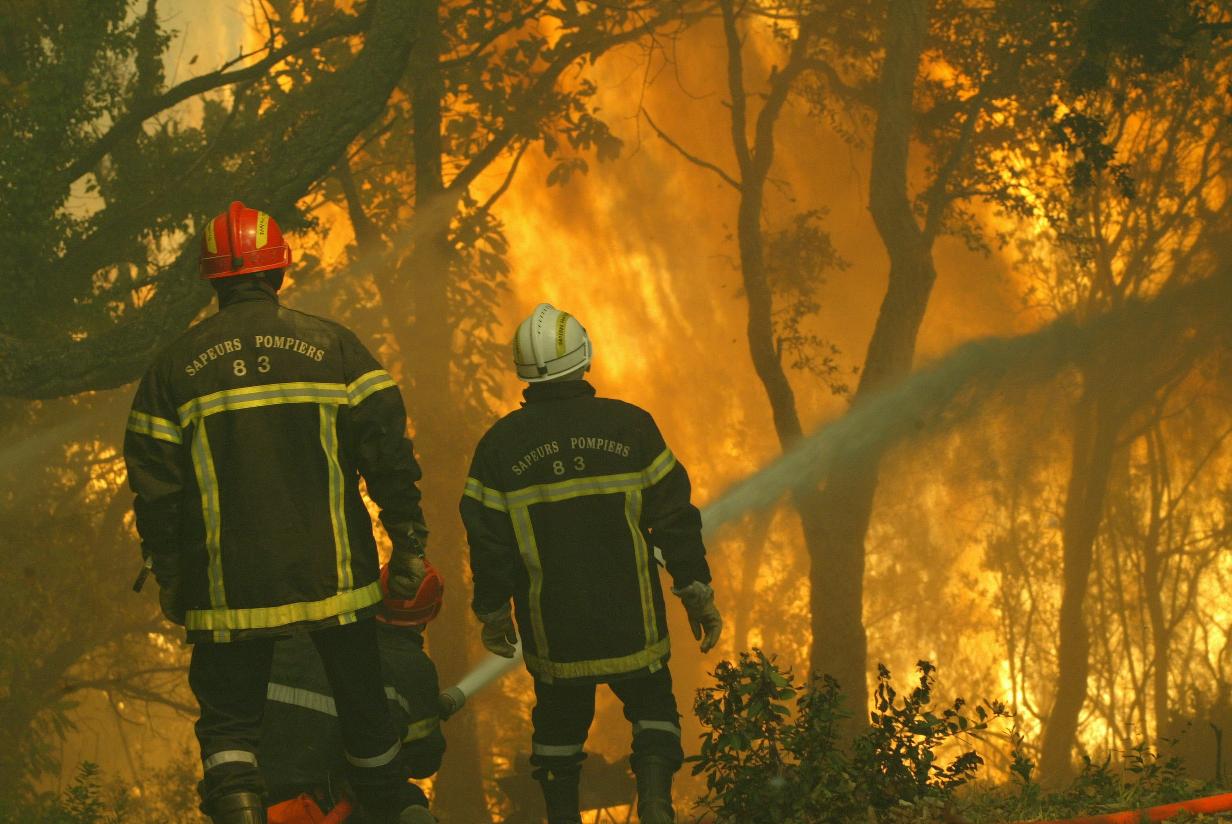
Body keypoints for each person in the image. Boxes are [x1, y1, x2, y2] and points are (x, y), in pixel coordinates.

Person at [123, 201, 433, 824]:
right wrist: (408, 539)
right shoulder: (336, 348)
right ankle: (394, 808)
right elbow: (387, 452)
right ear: (279, 270)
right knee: (367, 717)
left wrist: (173, 577)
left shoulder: (173, 369)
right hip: (337, 583)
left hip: (227, 591)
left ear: (212, 279)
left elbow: (157, 489)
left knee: (230, 730)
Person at [459, 303, 724, 824]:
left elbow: (488, 543)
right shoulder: (631, 426)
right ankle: (655, 805)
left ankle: (563, 816)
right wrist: (696, 590)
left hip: (555, 630)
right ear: (584, 357)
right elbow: (675, 519)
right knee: (653, 711)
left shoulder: (499, 446)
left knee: (558, 732)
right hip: (633, 620)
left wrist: (492, 610)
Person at [261, 562, 446, 824]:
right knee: (407, 802)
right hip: (325, 805)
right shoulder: (412, 667)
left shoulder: (307, 630)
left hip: (253, 793)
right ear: (432, 611)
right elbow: (424, 761)